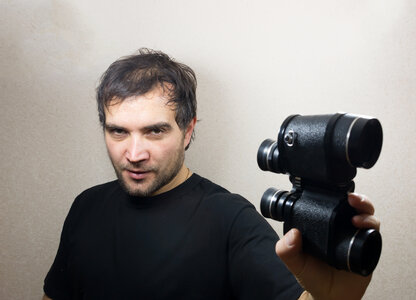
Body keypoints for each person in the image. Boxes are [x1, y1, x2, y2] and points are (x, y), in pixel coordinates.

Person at [43, 48, 381, 300]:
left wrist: (337, 295)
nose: (133, 154)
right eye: (118, 132)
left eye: (155, 131)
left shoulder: (231, 219)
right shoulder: (85, 206)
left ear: (188, 131)